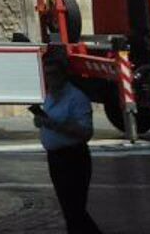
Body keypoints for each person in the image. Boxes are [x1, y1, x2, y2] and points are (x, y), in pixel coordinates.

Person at [34, 48, 101, 232]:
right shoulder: (50, 96)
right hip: (55, 159)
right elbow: (50, 121)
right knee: (70, 211)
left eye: (54, 74)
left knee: (75, 212)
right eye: (47, 74)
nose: (50, 78)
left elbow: (86, 132)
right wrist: (41, 121)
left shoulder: (76, 98)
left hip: (74, 159)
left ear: (64, 73)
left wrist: (53, 124)